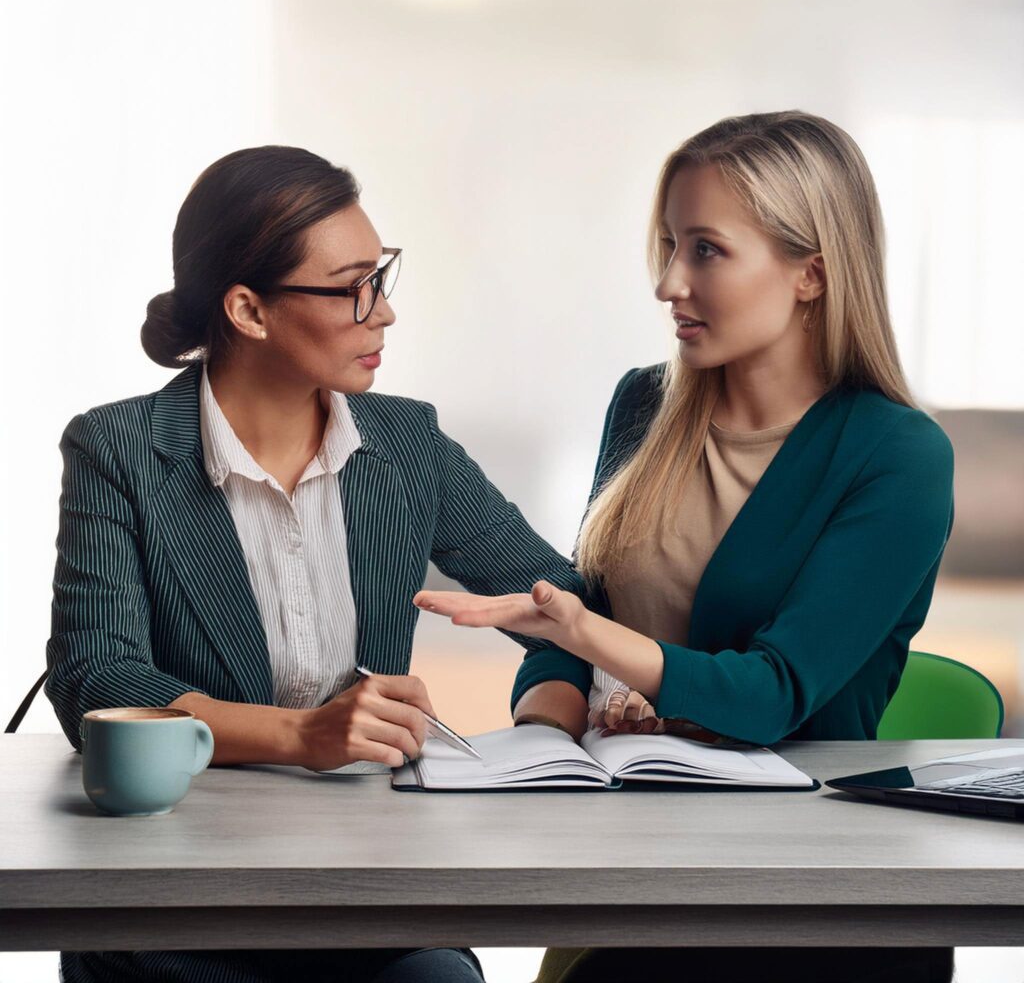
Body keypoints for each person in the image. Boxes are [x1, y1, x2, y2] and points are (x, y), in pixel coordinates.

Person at [414, 111, 956, 983]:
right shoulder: (644, 406)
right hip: (632, 855)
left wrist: (577, 634)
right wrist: (542, 738)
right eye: (668, 245)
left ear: (811, 273)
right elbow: (581, 617)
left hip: (813, 901)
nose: (668, 282)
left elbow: (773, 692)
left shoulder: (897, 455)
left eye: (705, 250)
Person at [44, 144, 598, 983]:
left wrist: (544, 725)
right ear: (248, 310)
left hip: (368, 887)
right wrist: (302, 736)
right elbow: (98, 677)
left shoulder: (406, 444)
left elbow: (567, 605)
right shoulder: (118, 448)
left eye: (383, 277)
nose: (384, 314)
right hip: (176, 896)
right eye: (352, 288)